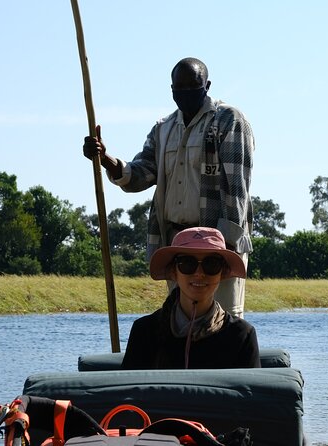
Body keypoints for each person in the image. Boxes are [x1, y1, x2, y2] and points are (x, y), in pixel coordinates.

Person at [83, 57, 255, 318]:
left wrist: (225, 251)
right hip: (178, 244)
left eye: (193, 86)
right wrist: (105, 159)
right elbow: (140, 174)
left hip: (216, 246)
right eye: (180, 88)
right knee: (182, 321)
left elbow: (236, 190)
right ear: (172, 90)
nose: (185, 93)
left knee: (223, 323)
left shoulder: (228, 120)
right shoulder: (163, 128)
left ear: (207, 85)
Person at [121, 227, 260, 369]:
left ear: (222, 273)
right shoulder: (144, 331)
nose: (199, 273)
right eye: (187, 263)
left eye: (211, 264)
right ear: (174, 271)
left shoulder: (242, 335)